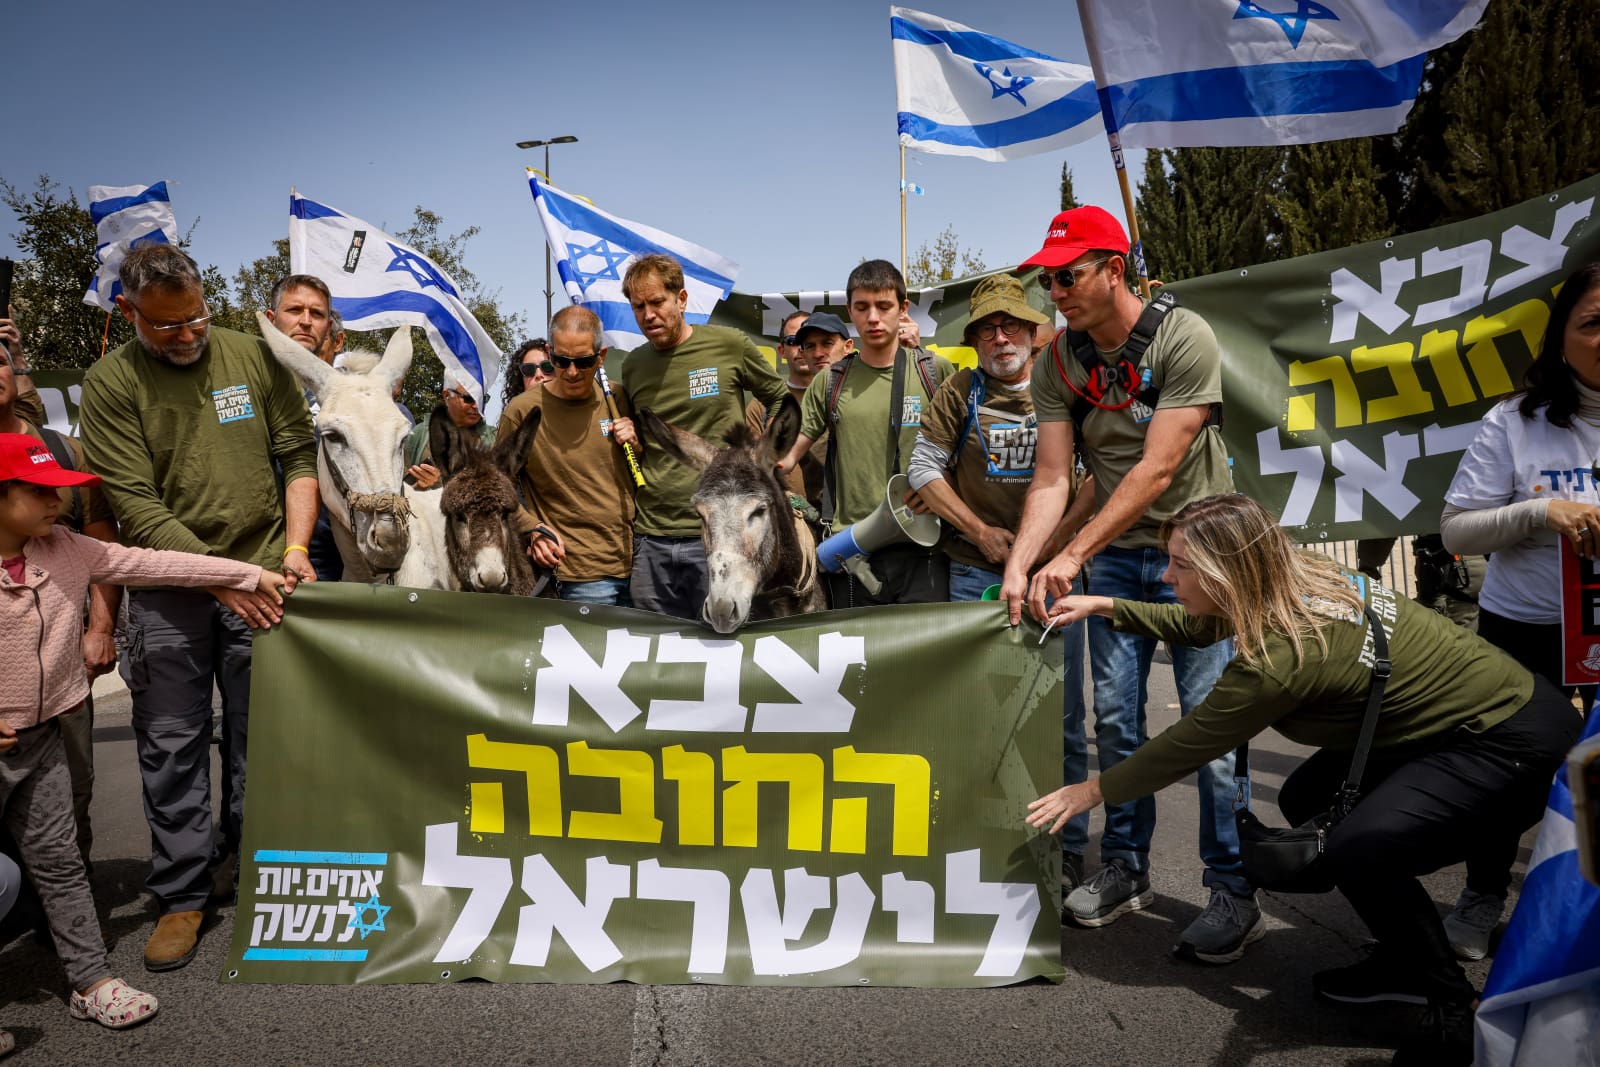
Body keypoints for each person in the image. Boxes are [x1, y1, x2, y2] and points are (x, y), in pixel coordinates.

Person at [1025, 493, 1581, 1066]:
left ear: (1229, 570)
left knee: (1360, 850)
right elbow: (1202, 623)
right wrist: (1106, 606)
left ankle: (1454, 1008)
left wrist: (1088, 792)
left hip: (1509, 740)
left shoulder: (1279, 657)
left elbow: (1187, 744)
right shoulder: (1294, 574)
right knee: (1308, 796)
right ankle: (1405, 954)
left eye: (1182, 565)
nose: (1167, 576)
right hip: (1470, 720)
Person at [1001, 206, 1253, 963]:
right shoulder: (1058, 361)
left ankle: (1232, 885)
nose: (1055, 294)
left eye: (1067, 276)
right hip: (1115, 559)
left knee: (1211, 729)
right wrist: (1022, 563)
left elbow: (1158, 468)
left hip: (1201, 561)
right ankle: (1125, 865)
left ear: (1114, 270)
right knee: (1115, 721)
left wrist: (1071, 552)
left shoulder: (1184, 337)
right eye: (1048, 281)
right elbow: (1053, 476)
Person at [77, 244, 317, 972]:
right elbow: (134, 508)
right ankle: (181, 894)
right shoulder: (110, 382)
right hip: (168, 596)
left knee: (260, 739)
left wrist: (295, 547)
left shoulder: (252, 354)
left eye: (197, 318)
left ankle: (249, 868)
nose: (187, 336)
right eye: (167, 326)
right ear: (128, 311)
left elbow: (298, 454)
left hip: (262, 580)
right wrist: (222, 577)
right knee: (172, 745)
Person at [0, 434, 287, 1033]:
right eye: (41, 491)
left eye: (61, 491)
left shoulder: (67, 547)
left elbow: (155, 563)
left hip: (45, 738)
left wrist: (247, 574)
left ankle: (91, 982)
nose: (58, 502)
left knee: (61, 865)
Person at [1438, 260, 1600, 960]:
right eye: (1593, 323)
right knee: (1507, 771)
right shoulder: (1513, 421)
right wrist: (1542, 512)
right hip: (1525, 630)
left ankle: (1584, 911)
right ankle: (1482, 894)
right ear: (1561, 336)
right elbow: (1456, 531)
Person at [0, 327, 117, 869]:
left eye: (1, 359)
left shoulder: (61, 449)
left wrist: (100, 627)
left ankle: (68, 901)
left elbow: (106, 548)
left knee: (72, 791)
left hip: (63, 669)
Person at [619, 253, 788, 619]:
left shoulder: (729, 345)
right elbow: (642, 440)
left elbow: (779, 397)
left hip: (720, 539)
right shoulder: (633, 366)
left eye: (657, 302)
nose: (648, 315)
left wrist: (765, 460)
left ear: (681, 299)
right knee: (655, 646)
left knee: (721, 644)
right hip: (651, 536)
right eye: (638, 307)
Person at [779, 259, 955, 607]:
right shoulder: (829, 381)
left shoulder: (935, 371)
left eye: (883, 306)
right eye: (862, 307)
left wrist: (945, 483)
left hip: (925, 548)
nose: (873, 317)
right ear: (850, 311)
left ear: (903, 308)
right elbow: (786, 457)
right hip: (853, 550)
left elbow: (966, 453)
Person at [496, 306, 637, 606]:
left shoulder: (617, 398)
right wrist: (532, 530)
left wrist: (637, 445)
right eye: (561, 361)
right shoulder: (521, 412)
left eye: (583, 362)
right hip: (577, 576)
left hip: (639, 566)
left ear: (601, 356)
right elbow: (496, 488)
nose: (572, 372)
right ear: (550, 353)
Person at [265, 273, 345, 582]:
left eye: (317, 313)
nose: (306, 321)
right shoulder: (245, 384)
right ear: (271, 318)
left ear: (328, 327)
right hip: (258, 553)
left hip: (329, 558)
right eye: (295, 310)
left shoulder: (346, 397)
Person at [748, 311, 848, 511]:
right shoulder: (764, 405)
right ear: (781, 350)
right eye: (796, 341)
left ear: (848, 347)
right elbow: (753, 469)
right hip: (791, 517)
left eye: (826, 343)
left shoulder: (853, 396)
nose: (805, 350)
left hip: (847, 514)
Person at [405, 368, 495, 489]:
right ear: (447, 395)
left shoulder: (496, 438)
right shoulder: (418, 435)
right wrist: (419, 486)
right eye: (469, 398)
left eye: (482, 399)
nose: (476, 406)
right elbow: (398, 492)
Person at [501, 338, 554, 412]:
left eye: (547, 366)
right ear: (521, 381)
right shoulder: (513, 416)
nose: (538, 375)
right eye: (529, 369)